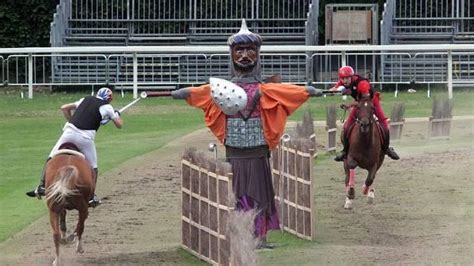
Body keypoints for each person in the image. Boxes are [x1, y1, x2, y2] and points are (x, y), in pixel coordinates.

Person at [171, 19, 323, 248]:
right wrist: (185, 92)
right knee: (236, 193)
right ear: (231, 54)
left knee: (260, 193)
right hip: (235, 150)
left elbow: (287, 92)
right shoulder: (223, 88)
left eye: (250, 50)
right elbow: (202, 93)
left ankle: (260, 235)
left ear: (257, 54)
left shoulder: (265, 89)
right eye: (239, 50)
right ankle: (240, 233)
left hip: (258, 150)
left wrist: (307, 91)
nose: (244, 55)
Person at [26, 87, 123, 207]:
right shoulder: (107, 107)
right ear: (110, 99)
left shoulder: (85, 99)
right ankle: (91, 197)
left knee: (51, 158)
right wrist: (116, 114)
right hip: (85, 139)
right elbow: (119, 125)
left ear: (97, 94)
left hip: (68, 134)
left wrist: (73, 120)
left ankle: (42, 185)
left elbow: (64, 108)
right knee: (93, 167)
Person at [329, 66, 400, 161]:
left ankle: (386, 148)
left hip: (371, 102)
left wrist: (350, 105)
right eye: (343, 79)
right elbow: (334, 89)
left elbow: (365, 102)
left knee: (384, 125)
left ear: (352, 77)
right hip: (358, 101)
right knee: (347, 126)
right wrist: (327, 92)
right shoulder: (343, 82)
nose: (345, 81)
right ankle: (345, 151)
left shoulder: (362, 84)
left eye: (347, 78)